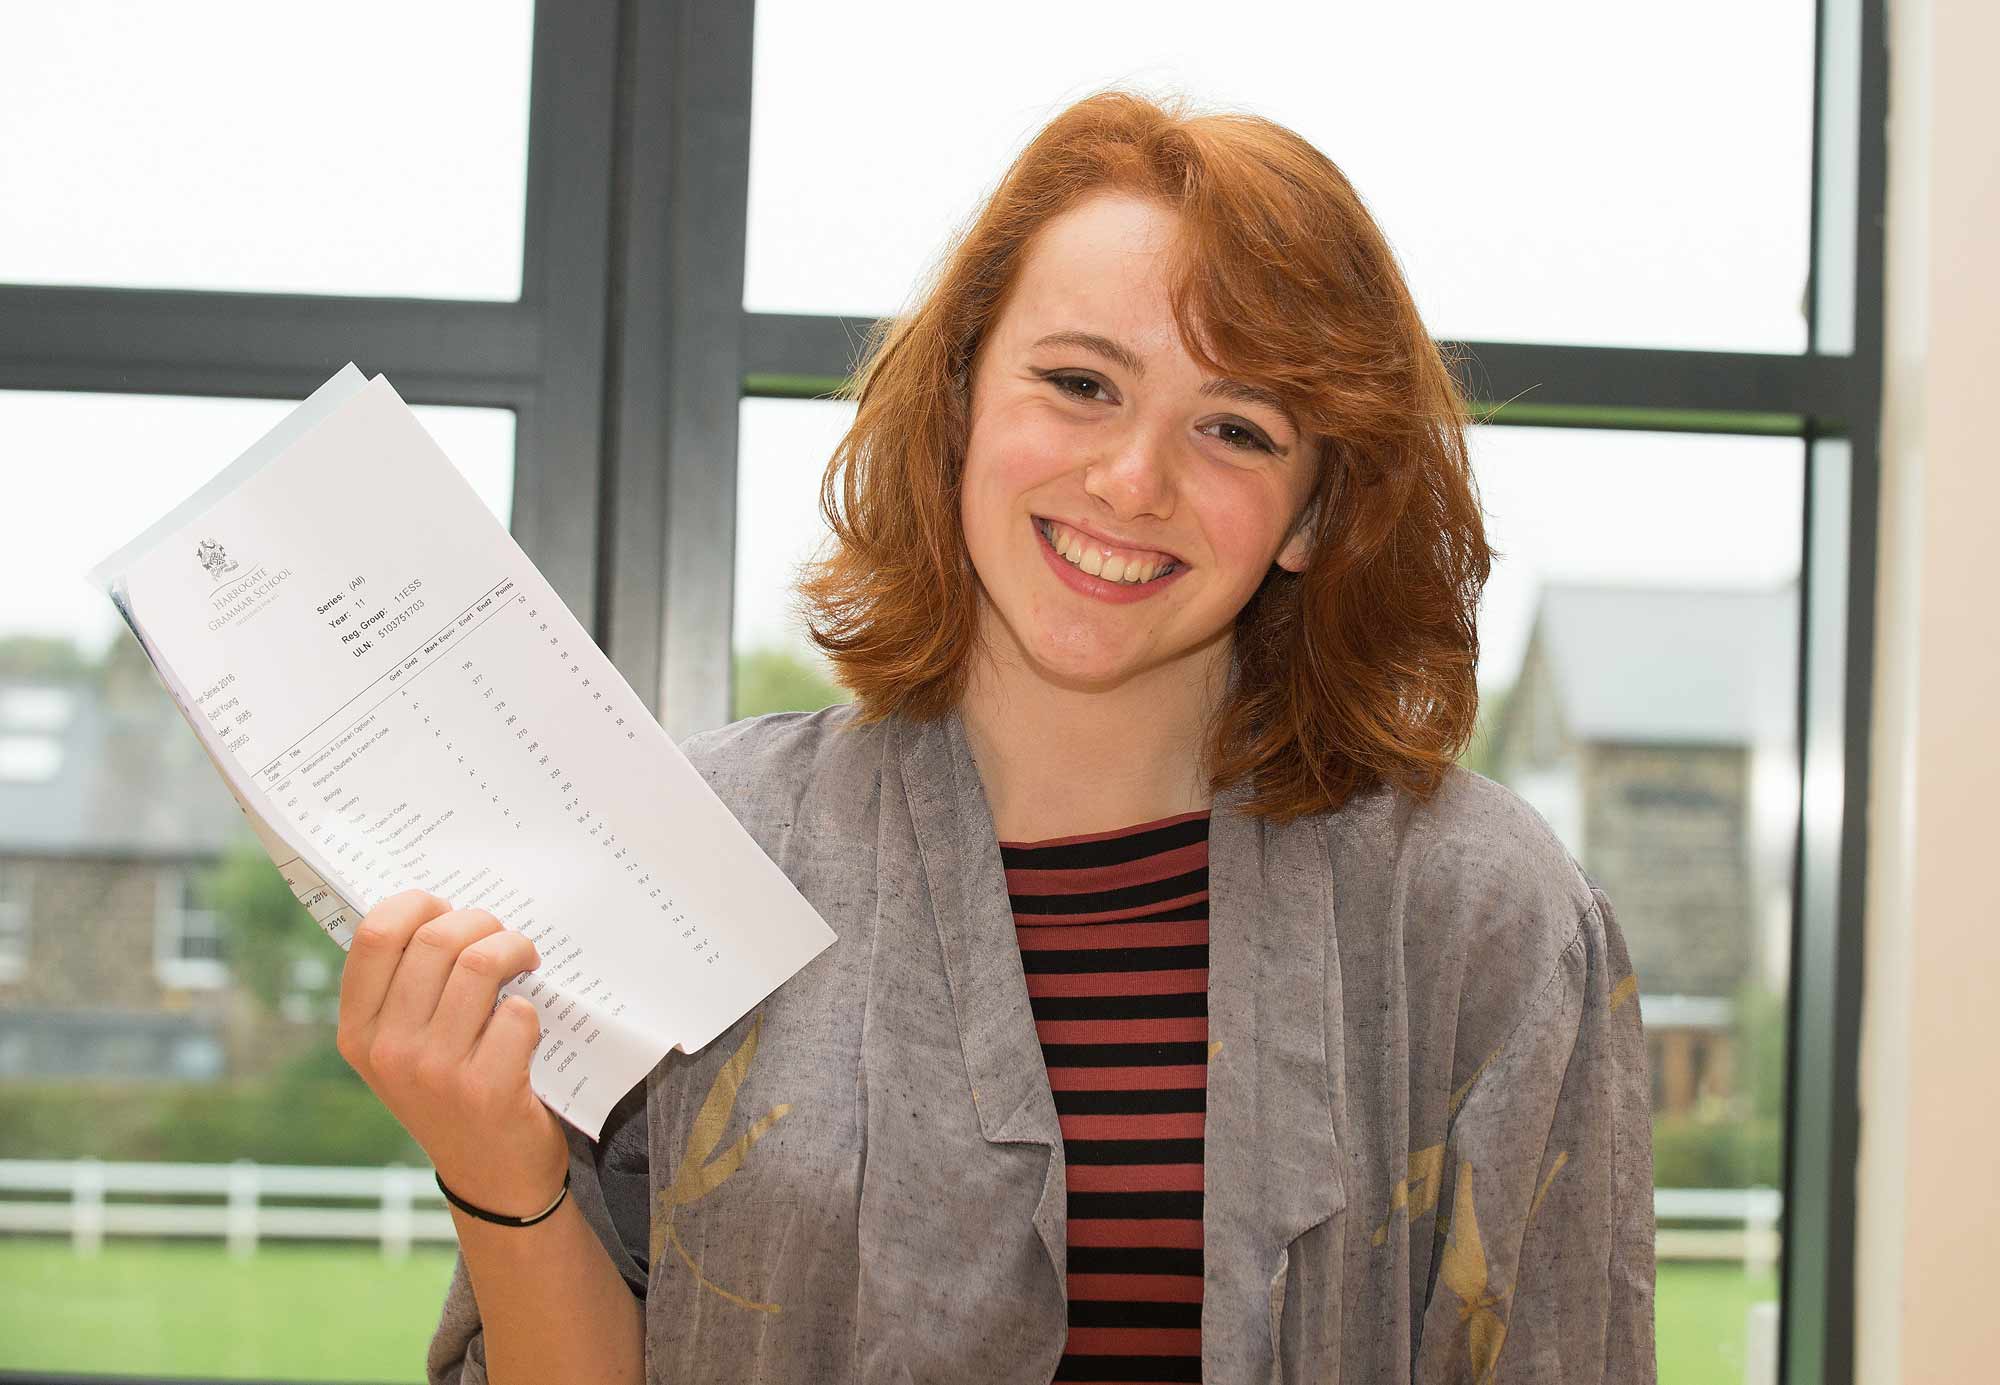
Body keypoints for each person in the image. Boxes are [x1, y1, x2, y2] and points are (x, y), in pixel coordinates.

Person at [338, 88, 1656, 1384]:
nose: (1133, 479)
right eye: (1082, 383)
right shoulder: (702, 848)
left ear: (1314, 513)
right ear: (962, 399)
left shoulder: (1483, 918)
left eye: (1236, 428)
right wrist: (499, 1171)